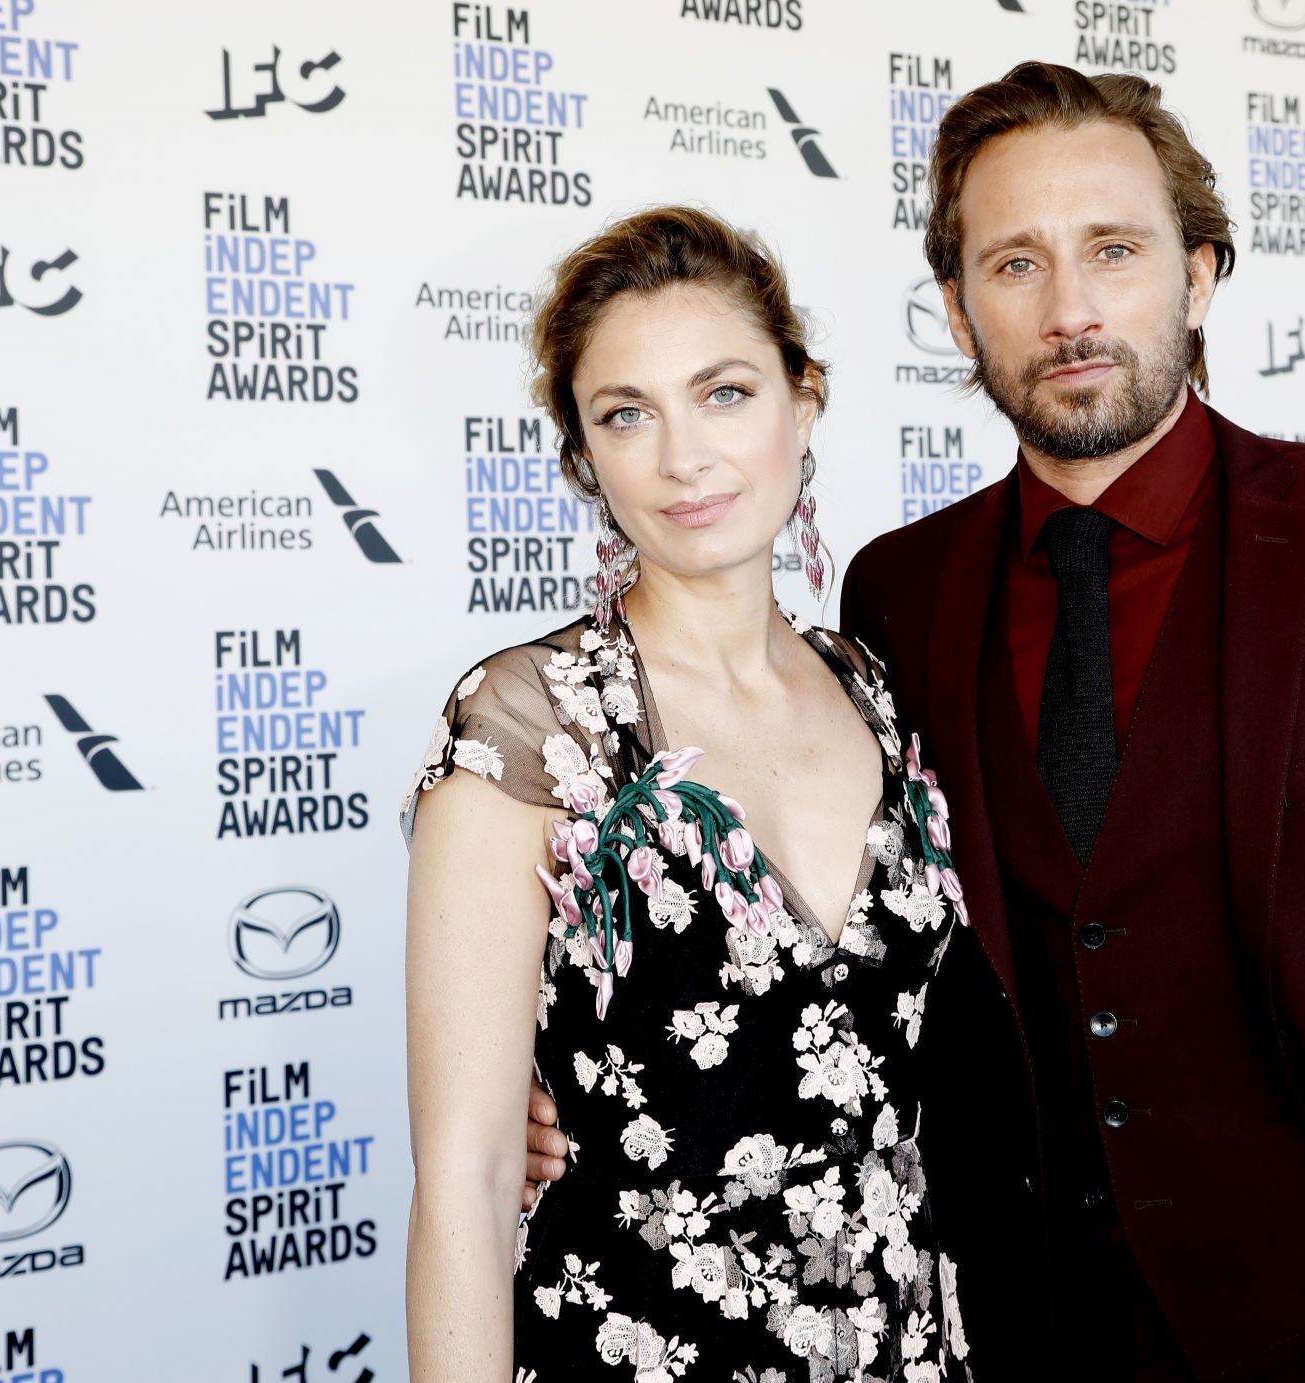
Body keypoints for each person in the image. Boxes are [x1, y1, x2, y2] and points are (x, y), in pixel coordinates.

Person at [525, 63, 1305, 1383]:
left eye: (1113, 251)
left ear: (1196, 273)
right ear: (957, 311)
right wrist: (573, 1090)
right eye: (1015, 265)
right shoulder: (899, 595)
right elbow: (858, 956)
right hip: (1056, 1341)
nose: (1070, 311)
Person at [403, 207, 976, 1382]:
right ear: (583, 456)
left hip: (909, 1346)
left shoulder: (880, 687)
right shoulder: (532, 723)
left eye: (724, 393)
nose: (683, 458)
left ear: (803, 399)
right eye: (626, 414)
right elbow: (463, 1179)